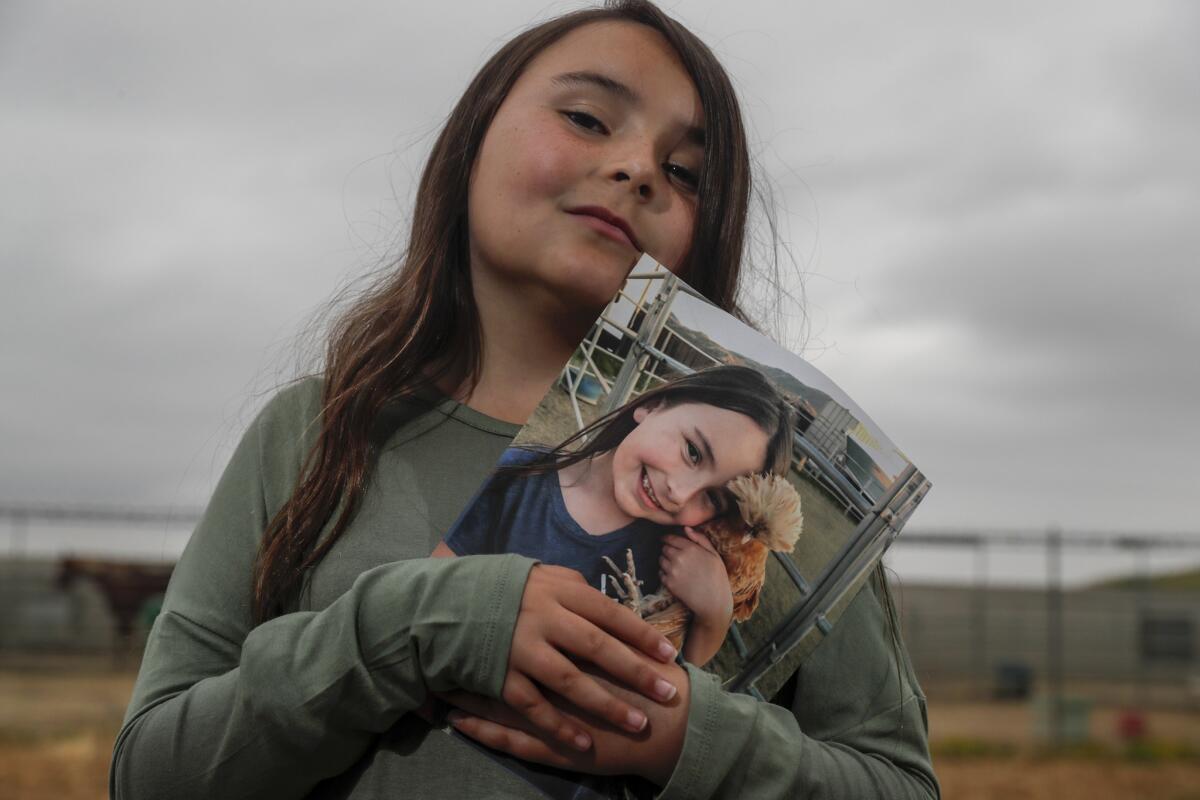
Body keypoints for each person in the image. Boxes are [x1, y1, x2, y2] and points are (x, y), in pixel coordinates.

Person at [111, 2, 940, 798]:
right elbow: (153, 775)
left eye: (685, 173)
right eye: (586, 118)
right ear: (473, 135)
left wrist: (686, 739)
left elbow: (896, 782)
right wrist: (413, 624)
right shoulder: (317, 431)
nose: (639, 168)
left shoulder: (744, 512)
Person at [436, 365, 796, 667]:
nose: (680, 493)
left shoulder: (680, 562)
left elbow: (678, 667)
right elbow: (427, 591)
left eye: (714, 498)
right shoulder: (511, 479)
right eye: (693, 452)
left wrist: (715, 616)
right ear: (653, 406)